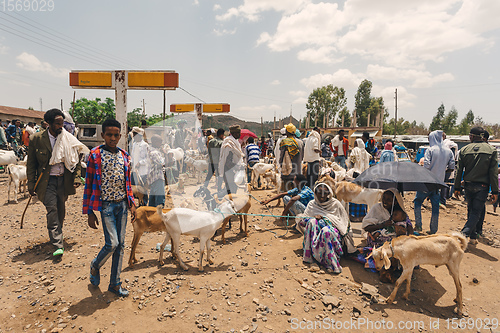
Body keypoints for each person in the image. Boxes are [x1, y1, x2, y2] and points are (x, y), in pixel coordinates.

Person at [83, 118, 136, 297]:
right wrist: (89, 212)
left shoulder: (124, 156)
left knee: (120, 245)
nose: (113, 138)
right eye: (109, 135)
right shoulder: (95, 155)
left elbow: (127, 183)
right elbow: (88, 185)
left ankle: (114, 283)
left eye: (116, 135)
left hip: (122, 205)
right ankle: (95, 265)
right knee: (112, 243)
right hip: (105, 206)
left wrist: (132, 204)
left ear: (120, 136)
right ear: (102, 135)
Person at [27, 109, 82, 256]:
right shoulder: (36, 139)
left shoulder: (68, 138)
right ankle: (58, 243)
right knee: (52, 209)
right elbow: (31, 164)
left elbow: (76, 161)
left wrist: (76, 178)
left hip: (63, 181)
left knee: (60, 210)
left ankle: (57, 232)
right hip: (47, 182)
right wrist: (31, 185)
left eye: (62, 123)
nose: (60, 126)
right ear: (48, 123)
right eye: (57, 123)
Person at [297, 183, 356, 273]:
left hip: (333, 234)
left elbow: (344, 222)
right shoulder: (312, 204)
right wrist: (312, 218)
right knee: (311, 222)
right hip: (316, 234)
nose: (322, 195)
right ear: (315, 193)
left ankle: (330, 263)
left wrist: (326, 220)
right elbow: (302, 221)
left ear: (329, 193)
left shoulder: (335, 204)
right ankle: (310, 257)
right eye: (319, 192)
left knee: (326, 231)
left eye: (325, 193)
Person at [454, 127, 498, 243]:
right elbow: (493, 173)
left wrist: (457, 187)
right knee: (476, 212)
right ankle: (465, 234)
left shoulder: (464, 150)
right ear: (483, 137)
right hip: (482, 187)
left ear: (472, 136)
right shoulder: (491, 150)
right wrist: (495, 191)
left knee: (470, 210)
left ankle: (471, 236)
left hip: (468, 185)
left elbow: (458, 171)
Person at [413, 130, 454, 234]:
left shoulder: (430, 150)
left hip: (426, 182)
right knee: (435, 206)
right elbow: (451, 167)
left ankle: (418, 226)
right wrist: (441, 173)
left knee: (417, 202)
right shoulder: (448, 151)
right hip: (438, 183)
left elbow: (426, 165)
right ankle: (433, 229)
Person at [219, 125, 245, 195]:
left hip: (232, 171)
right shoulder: (229, 143)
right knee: (230, 191)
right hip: (228, 171)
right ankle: (218, 199)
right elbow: (228, 162)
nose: (239, 135)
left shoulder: (234, 142)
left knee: (231, 191)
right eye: (238, 133)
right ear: (233, 133)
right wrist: (237, 167)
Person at [279, 123, 304, 191]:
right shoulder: (300, 142)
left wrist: (281, 165)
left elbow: (281, 158)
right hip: (297, 172)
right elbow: (302, 157)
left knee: (286, 192)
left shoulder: (284, 142)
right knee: (296, 192)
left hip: (287, 172)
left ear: (287, 132)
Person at [129, 127, 150, 206]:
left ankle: (143, 204)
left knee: (142, 188)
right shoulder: (134, 144)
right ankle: (134, 203)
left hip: (143, 171)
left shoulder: (145, 145)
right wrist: (131, 163)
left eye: (134, 134)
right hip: (134, 170)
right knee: (133, 187)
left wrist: (140, 163)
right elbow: (133, 156)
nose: (133, 136)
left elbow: (147, 158)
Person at [148, 135, 166, 207]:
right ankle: (158, 217)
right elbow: (162, 163)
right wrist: (165, 153)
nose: (161, 144)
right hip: (158, 177)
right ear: (155, 142)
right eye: (160, 142)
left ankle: (151, 215)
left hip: (152, 178)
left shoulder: (149, 150)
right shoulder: (155, 152)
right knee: (159, 201)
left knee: (152, 200)